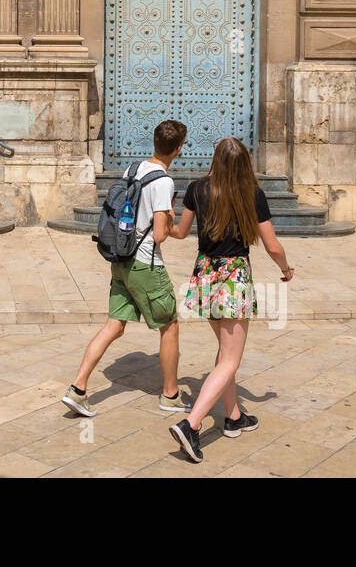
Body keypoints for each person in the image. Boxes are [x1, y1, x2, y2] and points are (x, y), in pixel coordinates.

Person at [168, 136, 295, 463]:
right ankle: (191, 425)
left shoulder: (197, 189)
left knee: (225, 354)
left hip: (204, 276)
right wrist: (286, 269)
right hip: (233, 279)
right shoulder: (252, 194)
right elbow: (273, 245)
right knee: (230, 360)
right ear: (244, 163)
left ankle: (234, 417)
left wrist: (159, 216)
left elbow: (180, 232)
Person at [62, 120, 191, 418]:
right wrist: (171, 214)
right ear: (179, 149)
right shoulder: (163, 182)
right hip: (146, 264)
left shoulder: (133, 169)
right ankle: (170, 394)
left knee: (114, 325)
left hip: (121, 260)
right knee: (169, 326)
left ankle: (78, 388)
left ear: (155, 142)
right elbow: (159, 234)